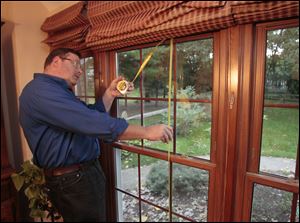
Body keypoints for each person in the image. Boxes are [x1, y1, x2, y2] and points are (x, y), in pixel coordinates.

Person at [19, 48, 173, 221]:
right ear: (56, 61)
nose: (80, 70)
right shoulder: (42, 92)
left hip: (76, 178)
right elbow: (91, 122)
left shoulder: (56, 92)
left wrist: (110, 94)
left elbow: (88, 116)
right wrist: (147, 131)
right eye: (75, 63)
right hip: (73, 181)